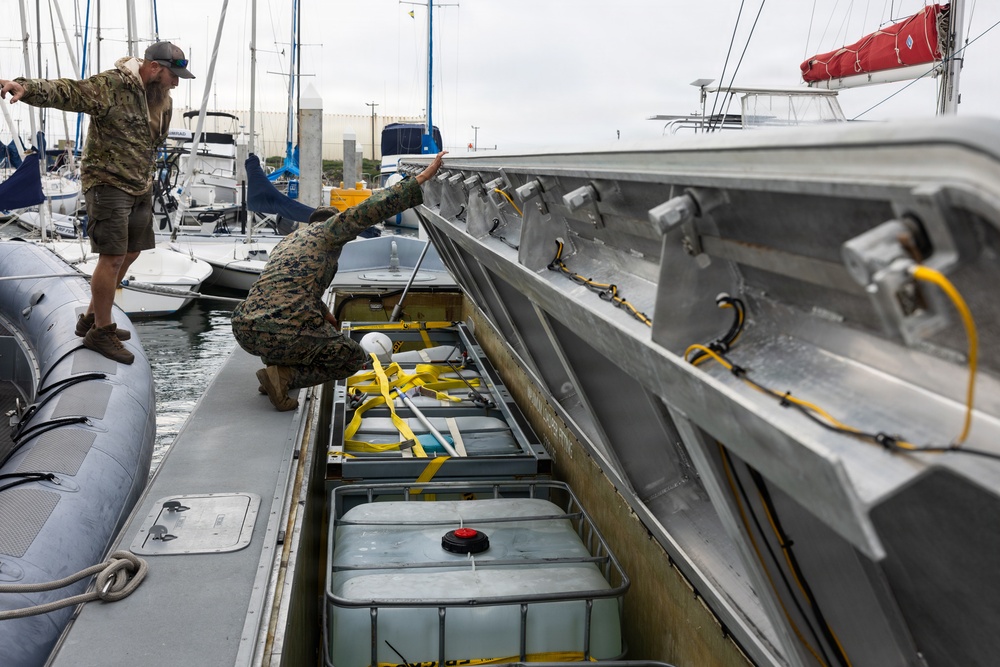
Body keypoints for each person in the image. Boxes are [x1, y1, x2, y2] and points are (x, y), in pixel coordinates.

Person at [0, 41, 195, 364]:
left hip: (139, 185)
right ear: (155, 68)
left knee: (132, 252)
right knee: (113, 257)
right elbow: (69, 92)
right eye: (174, 75)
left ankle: (91, 317)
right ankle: (101, 332)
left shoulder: (162, 101)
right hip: (107, 184)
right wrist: (26, 87)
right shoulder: (112, 85)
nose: (177, 82)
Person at [232, 151, 446, 411]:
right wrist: (420, 179)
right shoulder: (329, 232)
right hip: (281, 328)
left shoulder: (289, 242)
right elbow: (368, 210)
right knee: (351, 358)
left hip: (245, 329)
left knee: (293, 335)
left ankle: (275, 373)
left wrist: (327, 316)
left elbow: (290, 288)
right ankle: (284, 376)